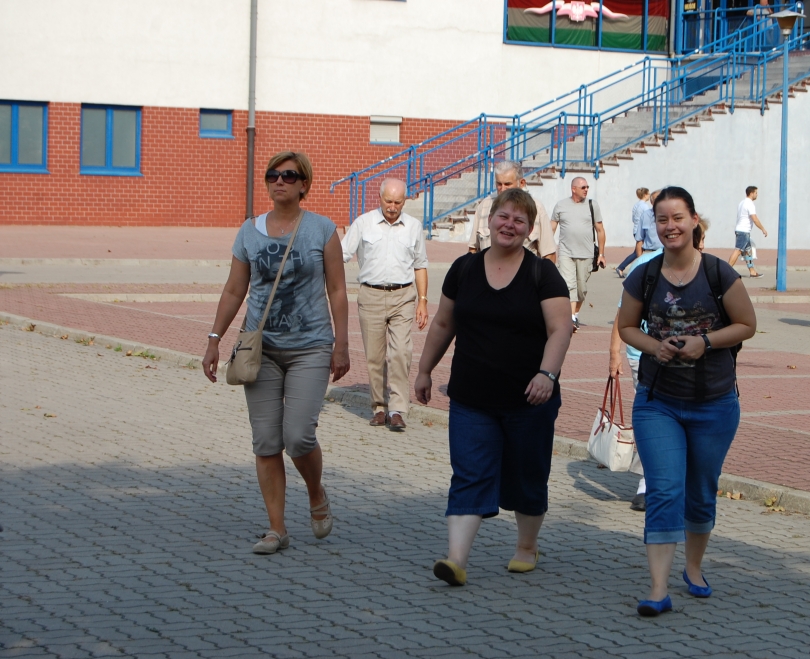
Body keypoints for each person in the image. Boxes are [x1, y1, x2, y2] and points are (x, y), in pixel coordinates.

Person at [415, 188, 573, 587]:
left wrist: (547, 375)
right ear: (489, 221)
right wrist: (424, 370)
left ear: (530, 230)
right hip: (472, 396)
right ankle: (456, 560)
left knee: (526, 476)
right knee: (469, 473)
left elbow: (560, 328)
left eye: (520, 220)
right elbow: (444, 323)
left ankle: (526, 546)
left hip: (529, 399)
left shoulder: (543, 274)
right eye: (504, 216)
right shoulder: (464, 269)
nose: (510, 225)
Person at [201, 151, 351, 554]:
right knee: (267, 440)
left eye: (289, 175)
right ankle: (276, 528)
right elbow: (235, 289)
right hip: (260, 350)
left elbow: (337, 289)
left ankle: (315, 491)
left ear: (304, 185)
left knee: (298, 437)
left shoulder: (322, 229)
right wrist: (214, 338)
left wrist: (341, 344)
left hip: (310, 347)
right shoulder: (249, 232)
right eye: (273, 175)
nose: (279, 181)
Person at [618, 187, 756, 617]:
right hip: (657, 401)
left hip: (714, 402)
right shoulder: (644, 275)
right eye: (662, 219)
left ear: (694, 220)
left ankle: (693, 567)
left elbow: (747, 324)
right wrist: (653, 346)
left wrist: (706, 342)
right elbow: (626, 326)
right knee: (664, 489)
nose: (670, 226)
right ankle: (658, 589)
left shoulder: (718, 273)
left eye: (677, 217)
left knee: (700, 490)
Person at [609, 217, 710, 513]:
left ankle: (672, 481)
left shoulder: (706, 268)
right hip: (643, 358)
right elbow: (622, 314)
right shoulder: (646, 266)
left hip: (688, 361)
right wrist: (614, 353)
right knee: (654, 421)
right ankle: (646, 484)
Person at [342, 178, 430, 432]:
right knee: (375, 355)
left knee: (401, 351)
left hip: (403, 296)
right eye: (388, 201)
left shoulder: (413, 226)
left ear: (405, 201)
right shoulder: (363, 223)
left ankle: (398, 409)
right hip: (371, 295)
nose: (392, 207)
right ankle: (379, 407)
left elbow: (420, 265)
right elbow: (341, 254)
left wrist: (422, 301)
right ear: (379, 198)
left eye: (398, 202)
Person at [468, 161, 556, 262]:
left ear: (521, 183)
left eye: (507, 184)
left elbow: (549, 254)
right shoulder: (484, 206)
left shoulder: (536, 208)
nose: (502, 189)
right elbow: (473, 249)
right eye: (499, 184)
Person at [551, 177, 607, 330]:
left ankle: (574, 314)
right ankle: (570, 318)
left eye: (587, 187)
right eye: (583, 187)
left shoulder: (592, 205)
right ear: (573, 189)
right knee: (569, 285)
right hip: (566, 253)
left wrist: (601, 254)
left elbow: (600, 230)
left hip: (587, 254)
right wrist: (547, 249)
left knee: (581, 289)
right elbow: (552, 227)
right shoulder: (561, 205)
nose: (586, 189)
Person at [728, 186, 767, 278]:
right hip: (743, 231)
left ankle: (752, 271)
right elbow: (754, 219)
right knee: (738, 251)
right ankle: (726, 270)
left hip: (741, 230)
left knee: (748, 251)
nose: (757, 195)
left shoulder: (742, 203)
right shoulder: (750, 204)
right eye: (756, 193)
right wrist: (763, 229)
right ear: (751, 193)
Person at [616, 188, 651, 277]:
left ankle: (623, 268)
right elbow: (648, 219)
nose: (649, 195)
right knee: (638, 253)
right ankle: (623, 268)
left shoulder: (636, 205)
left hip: (636, 230)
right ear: (645, 195)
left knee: (637, 252)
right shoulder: (645, 206)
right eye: (648, 194)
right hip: (641, 231)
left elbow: (633, 219)